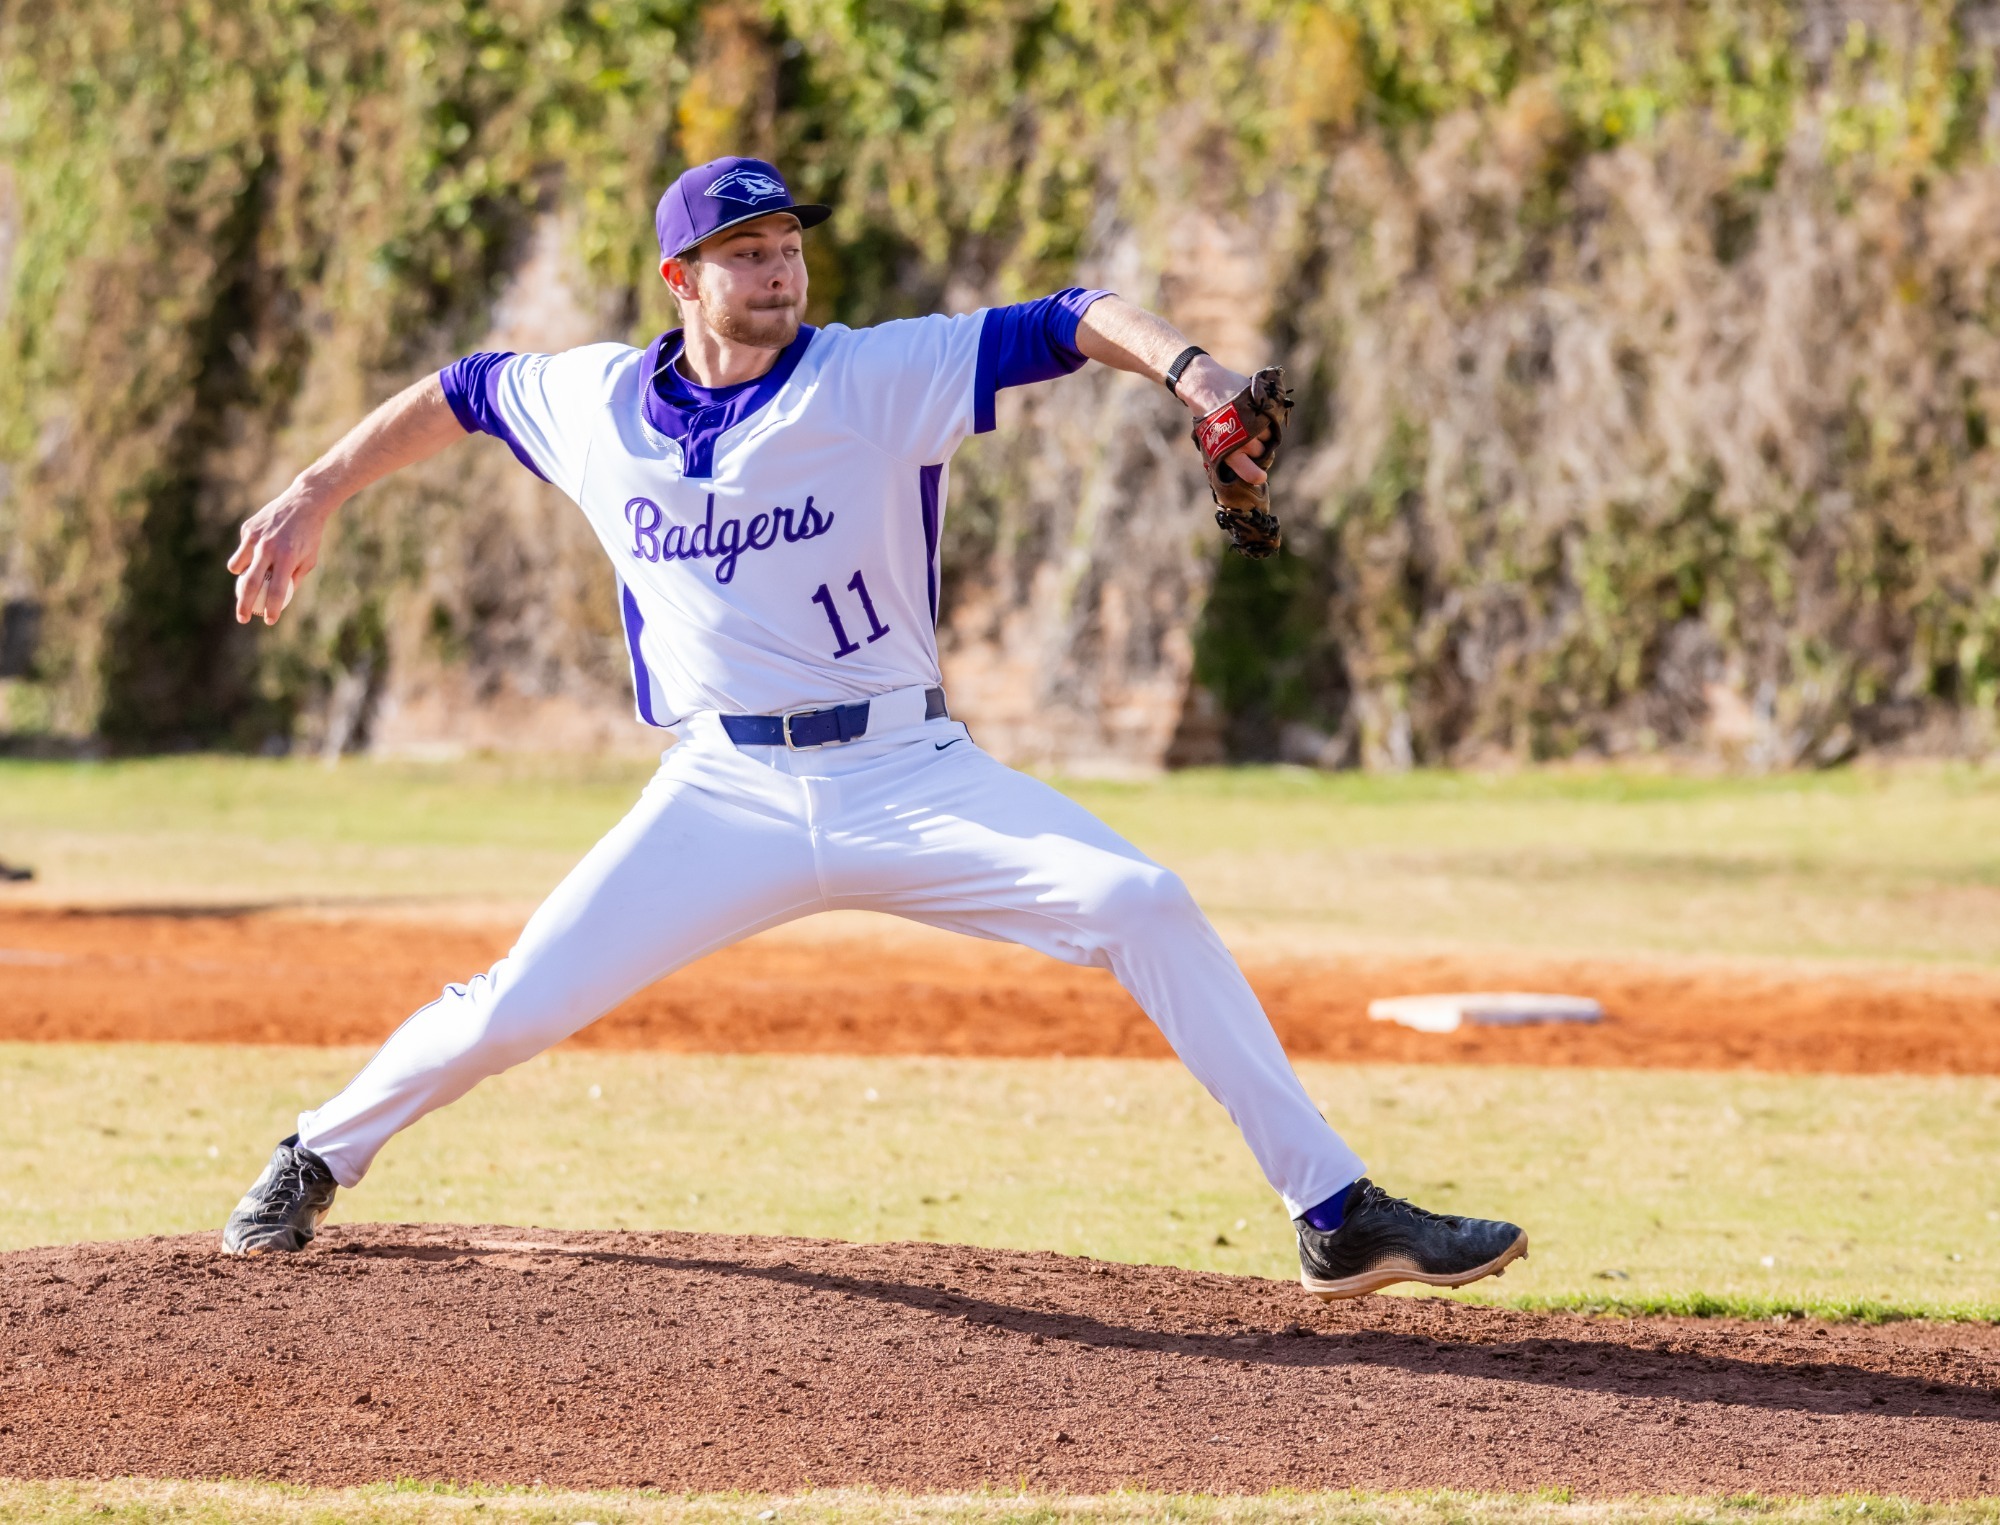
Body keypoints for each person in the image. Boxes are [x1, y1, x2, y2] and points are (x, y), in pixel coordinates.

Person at [219, 156, 1526, 1299]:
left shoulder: (871, 376)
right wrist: (316, 488)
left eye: (789, 244)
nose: (780, 268)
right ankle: (315, 1152)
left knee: (1141, 898)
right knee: (517, 1004)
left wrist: (1192, 373)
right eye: (747, 251)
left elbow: (1069, 317)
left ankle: (1336, 1217)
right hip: (720, 790)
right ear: (680, 274)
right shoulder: (596, 403)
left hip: (906, 769)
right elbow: (464, 387)